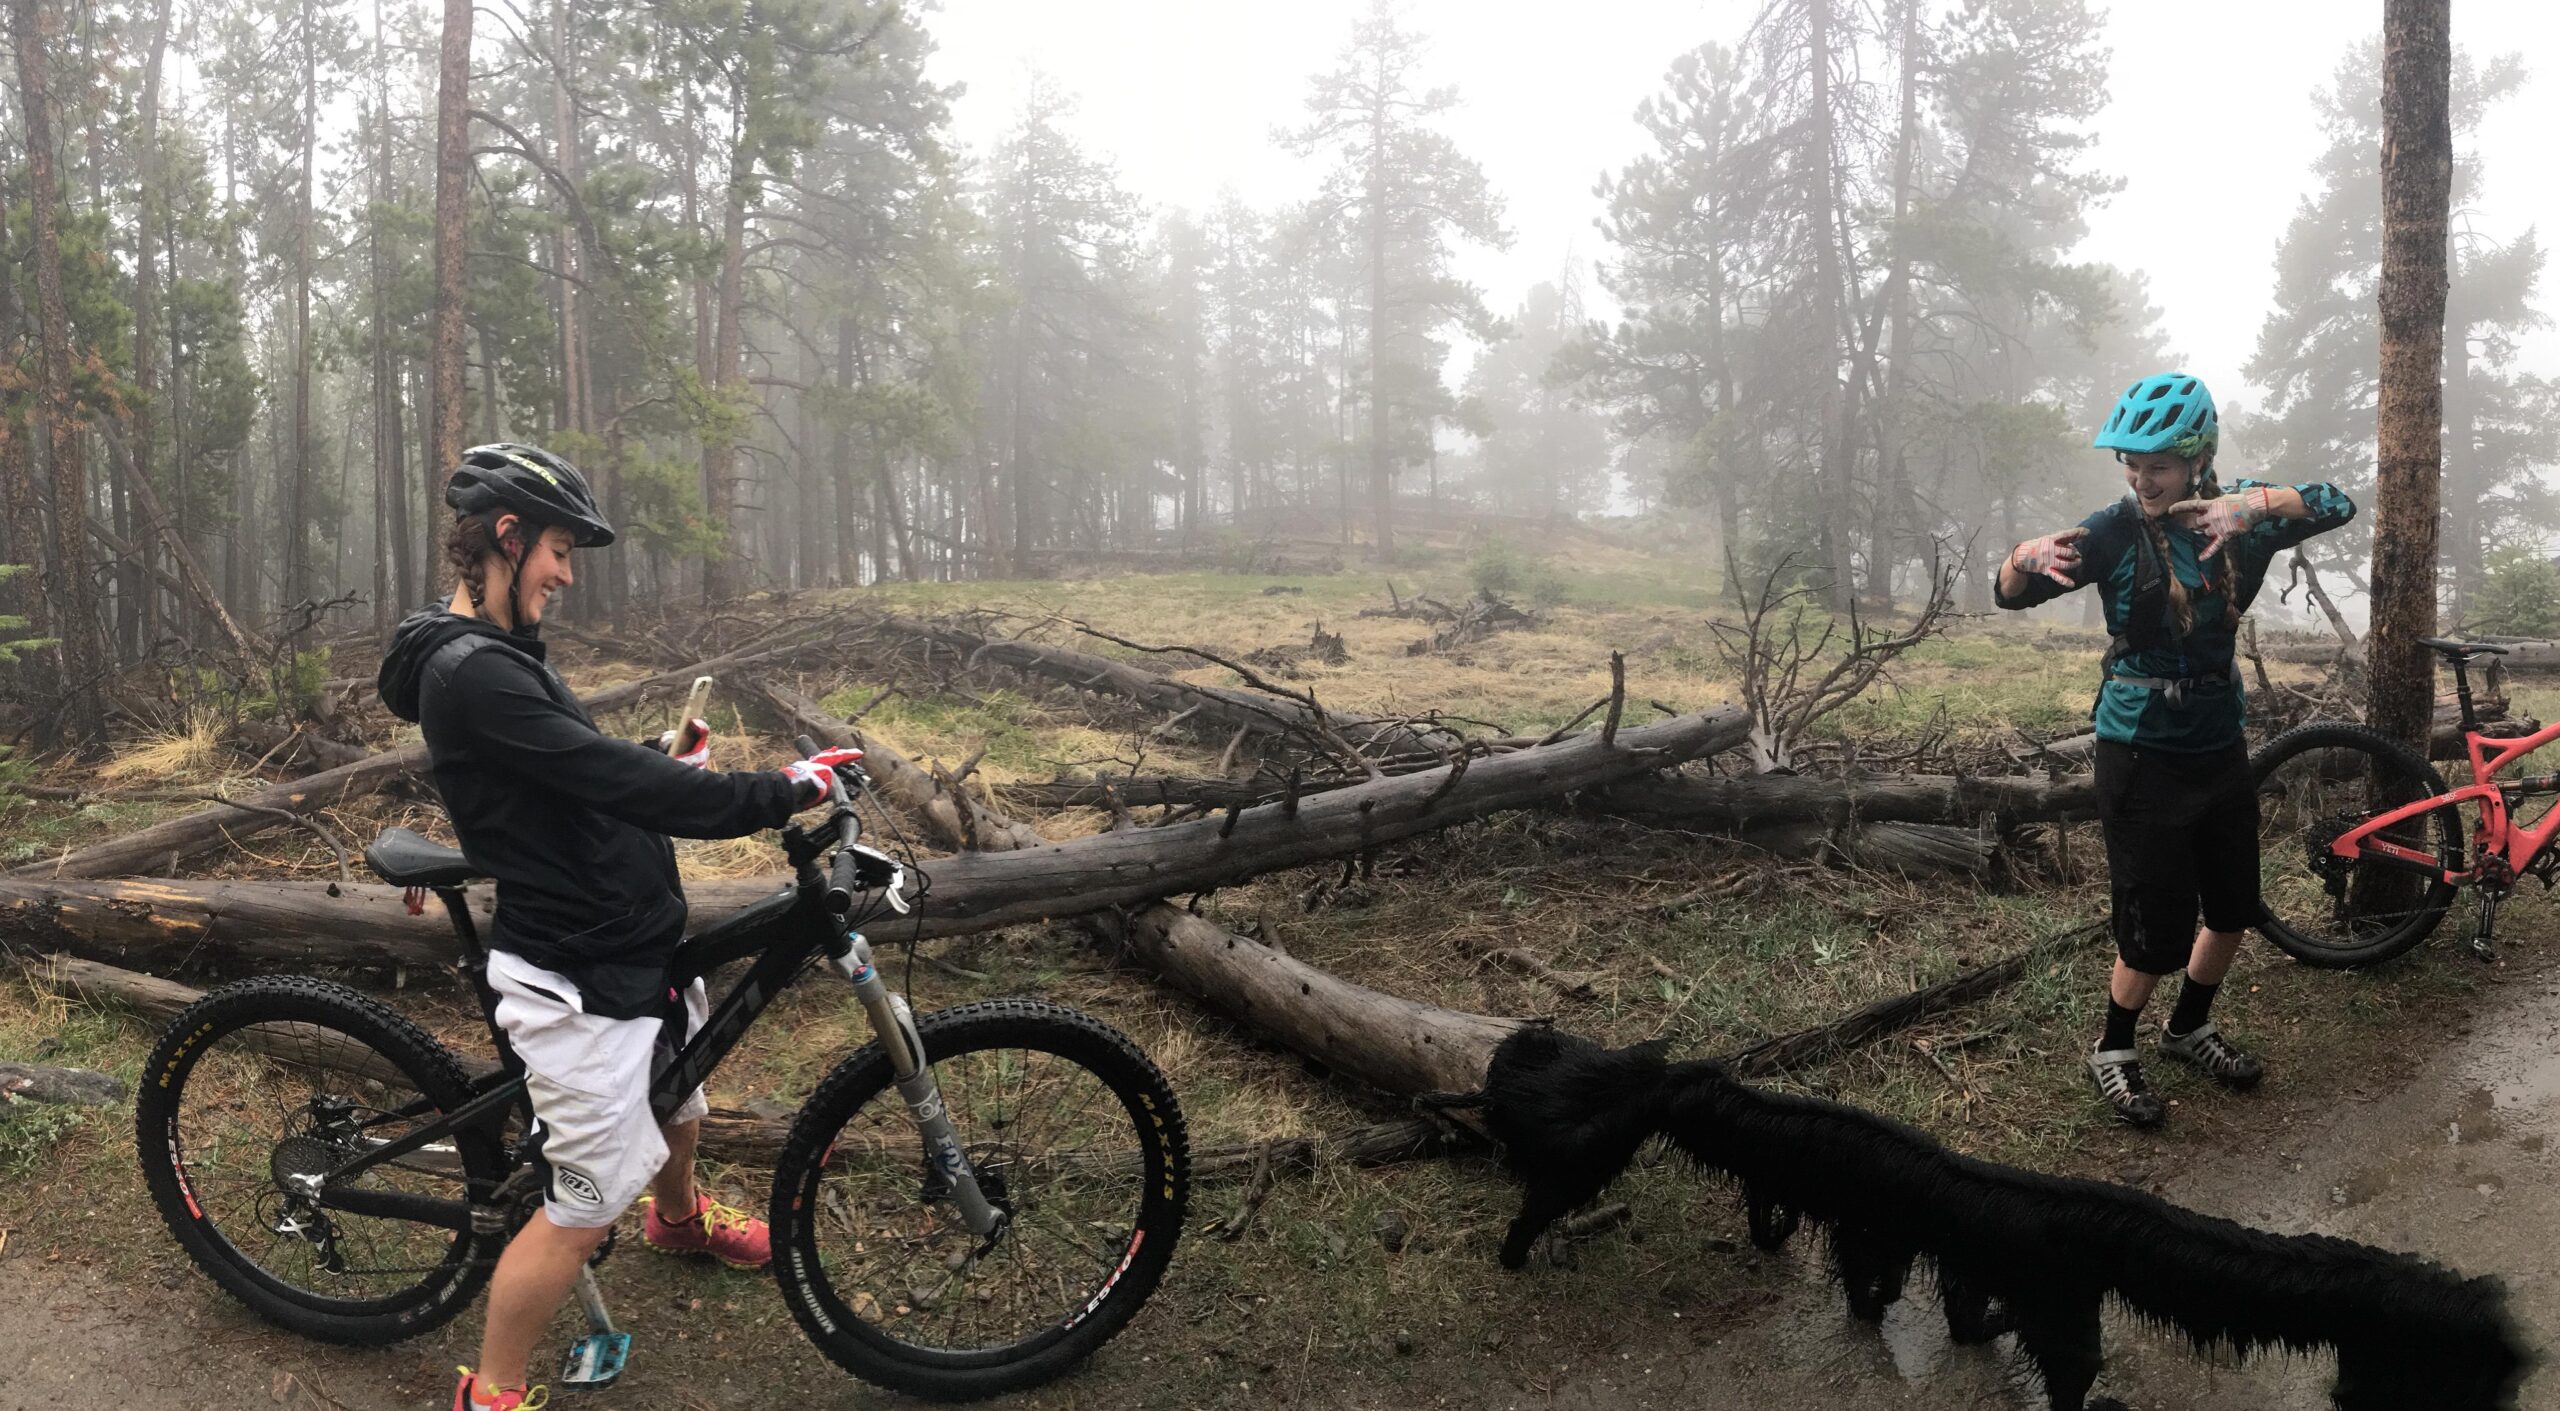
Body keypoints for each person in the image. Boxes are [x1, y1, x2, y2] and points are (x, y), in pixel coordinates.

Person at [377, 444, 859, 1411]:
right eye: (559, 550)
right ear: (508, 536)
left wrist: (661, 759)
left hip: (627, 936)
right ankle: (493, 1389)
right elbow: (601, 777)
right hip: (575, 969)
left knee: (679, 1095)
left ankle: (675, 1218)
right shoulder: (474, 671)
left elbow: (568, 767)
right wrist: (774, 790)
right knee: (580, 1207)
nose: (566, 573)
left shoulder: (498, 650)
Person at [1995, 374, 2356, 1127]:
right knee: (2153, 928)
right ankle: (2113, 1048)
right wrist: (2021, 556)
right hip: (2140, 750)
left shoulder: (2239, 517)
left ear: (2197, 459)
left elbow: (2336, 502)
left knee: (2232, 905)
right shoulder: (2114, 530)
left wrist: (2254, 505)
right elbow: (2012, 592)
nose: (2141, 478)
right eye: (2131, 463)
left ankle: (2188, 1027)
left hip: (2218, 743)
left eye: (2157, 464)